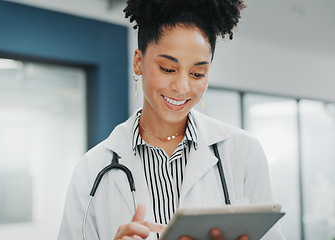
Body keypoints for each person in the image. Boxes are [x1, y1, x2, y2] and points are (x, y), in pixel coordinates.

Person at [58, 0, 285, 239]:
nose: (182, 87)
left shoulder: (244, 151)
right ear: (138, 62)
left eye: (197, 73)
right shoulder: (92, 169)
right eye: (167, 68)